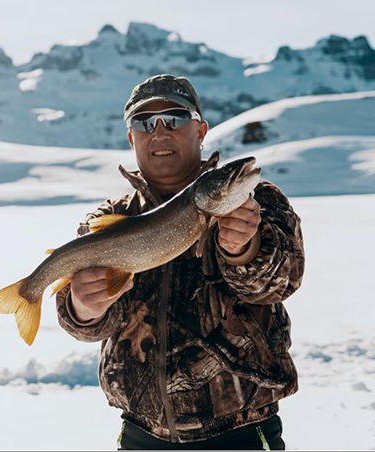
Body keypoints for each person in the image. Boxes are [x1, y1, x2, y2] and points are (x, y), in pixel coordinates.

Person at [56, 74, 305, 450]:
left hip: (238, 434)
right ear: (131, 138)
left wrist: (244, 249)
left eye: (174, 118)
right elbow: (87, 326)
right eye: (143, 122)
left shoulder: (253, 200)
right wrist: (83, 307)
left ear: (201, 130)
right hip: (141, 434)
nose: (158, 131)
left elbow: (280, 283)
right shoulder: (110, 219)